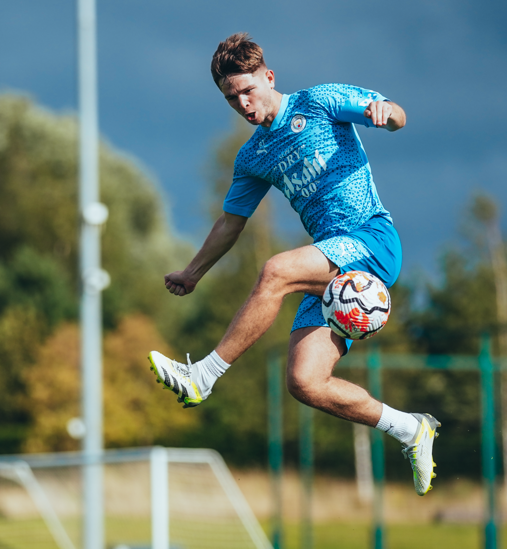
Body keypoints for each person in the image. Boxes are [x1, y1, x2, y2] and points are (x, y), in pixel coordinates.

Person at [148, 33, 440, 496]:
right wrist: (192, 272)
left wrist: (389, 117)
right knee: (305, 382)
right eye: (231, 98)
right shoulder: (253, 156)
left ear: (269, 77)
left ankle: (201, 377)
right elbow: (230, 223)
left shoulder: (320, 102)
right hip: (330, 267)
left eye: (248, 90)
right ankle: (410, 429)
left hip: (370, 241)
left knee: (276, 271)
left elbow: (394, 112)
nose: (242, 103)